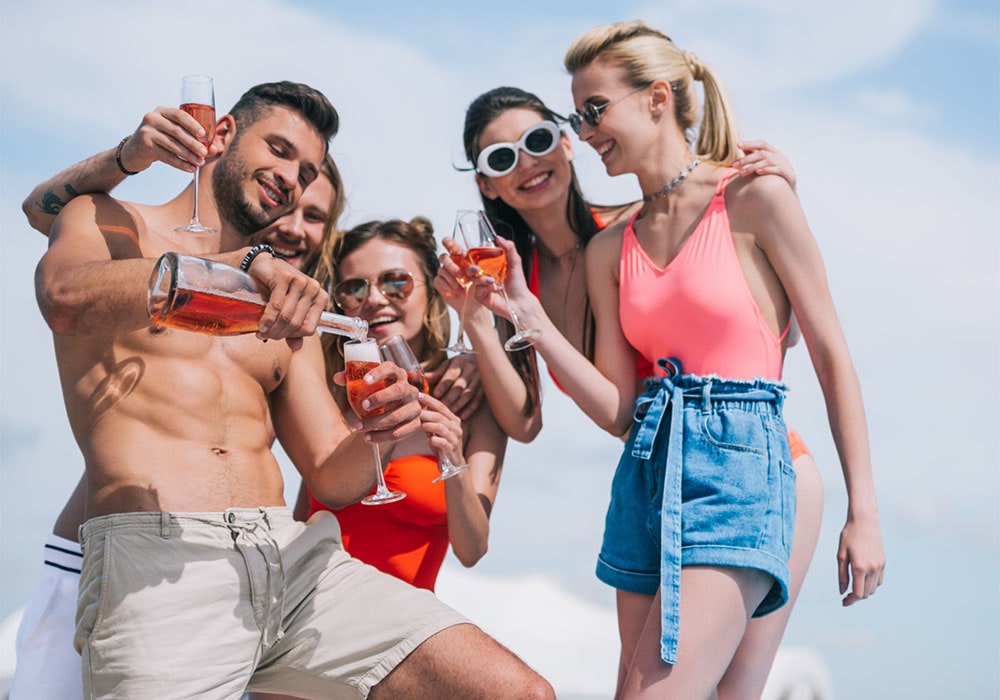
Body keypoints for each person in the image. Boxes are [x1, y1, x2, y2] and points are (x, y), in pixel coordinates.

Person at [29, 79, 554, 699]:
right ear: (221, 135)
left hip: (293, 560)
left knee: (515, 693)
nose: (290, 177)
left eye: (305, 172)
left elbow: (332, 473)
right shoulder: (111, 223)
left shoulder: (290, 296)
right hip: (160, 559)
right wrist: (239, 268)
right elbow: (63, 299)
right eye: (277, 150)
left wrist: (380, 430)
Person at [459, 22, 885, 698]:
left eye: (591, 111)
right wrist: (525, 324)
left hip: (746, 462)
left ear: (659, 97)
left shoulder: (754, 197)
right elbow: (619, 408)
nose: (588, 129)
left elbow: (823, 349)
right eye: (581, 114)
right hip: (647, 474)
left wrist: (864, 510)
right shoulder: (609, 250)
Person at [293, 218, 507, 592]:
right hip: (312, 610)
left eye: (396, 282)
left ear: (431, 289)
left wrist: (452, 456)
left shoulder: (468, 400)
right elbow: (300, 524)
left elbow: (472, 550)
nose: (374, 299)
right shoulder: (333, 392)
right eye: (354, 288)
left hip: (401, 627)